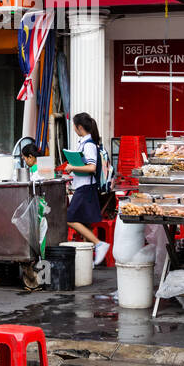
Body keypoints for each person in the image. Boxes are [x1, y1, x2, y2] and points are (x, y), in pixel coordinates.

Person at [60, 112, 110, 266]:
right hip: (83, 186)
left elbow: (91, 167)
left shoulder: (88, 145)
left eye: (74, 125)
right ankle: (88, 263)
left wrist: (72, 167)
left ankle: (99, 244)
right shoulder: (84, 142)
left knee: (70, 219)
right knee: (86, 223)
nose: (73, 128)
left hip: (86, 188)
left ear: (79, 127)